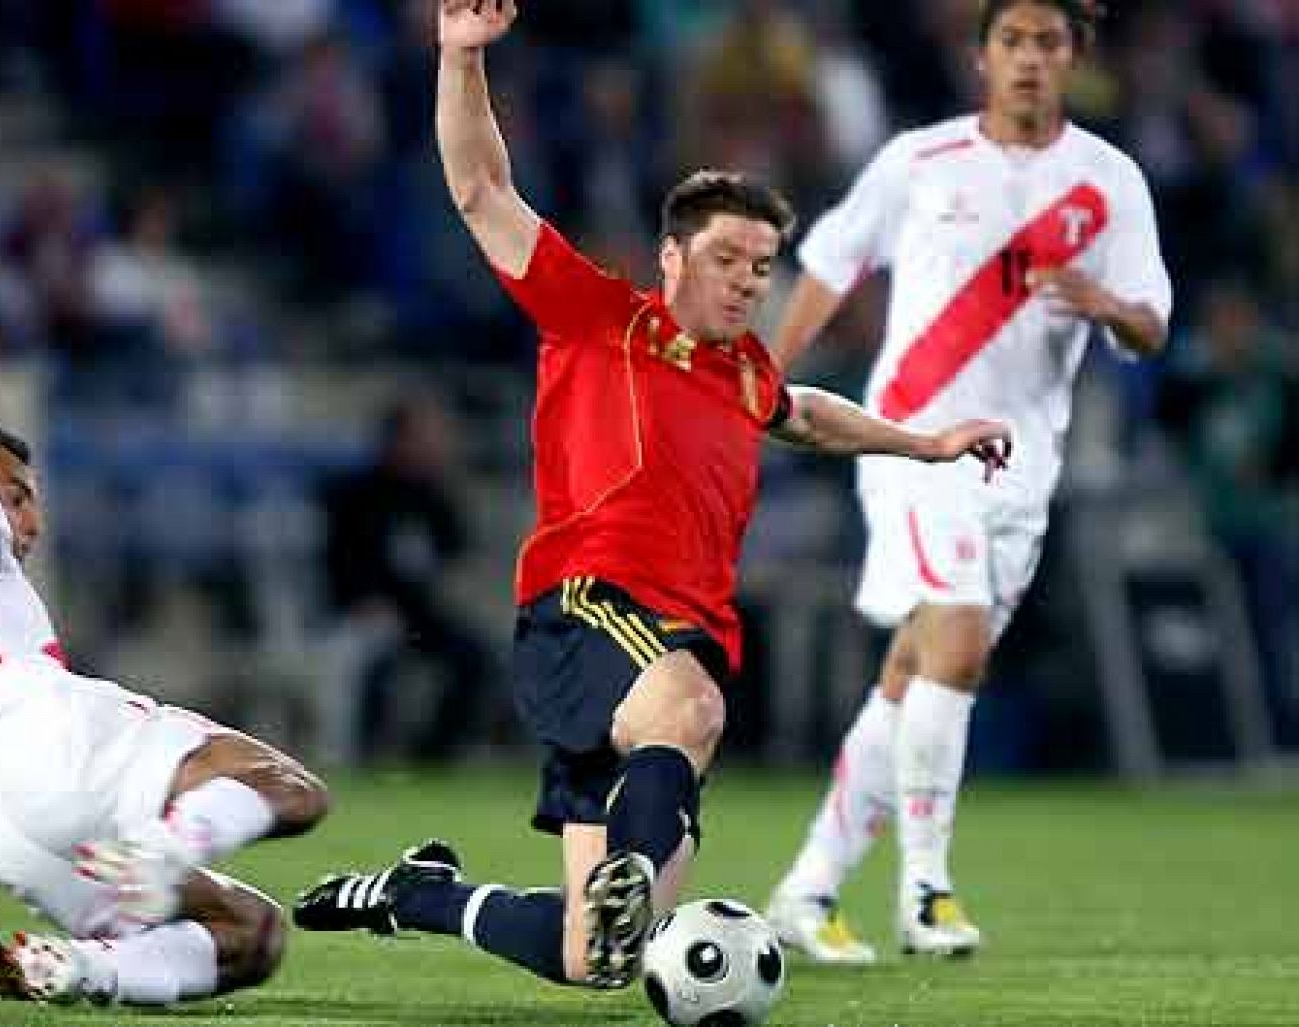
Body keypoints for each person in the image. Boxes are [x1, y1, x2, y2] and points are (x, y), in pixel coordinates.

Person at [293, 0, 1010, 993]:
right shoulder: (596, 318)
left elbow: (801, 411)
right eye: (726, 258)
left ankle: (420, 896)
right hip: (592, 608)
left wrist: (924, 442)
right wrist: (460, 57)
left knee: (600, 955)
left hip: (671, 645)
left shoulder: (743, 371)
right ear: (670, 255)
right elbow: (480, 187)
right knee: (693, 708)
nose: (746, 282)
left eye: (761, 266)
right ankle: (633, 863)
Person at [762, 0, 1171, 963]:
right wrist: (762, 383)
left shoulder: (1109, 184)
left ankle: (808, 886)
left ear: (1075, 58)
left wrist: (1104, 301)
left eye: (1048, 44)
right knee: (955, 637)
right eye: (1012, 42)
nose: (1030, 60)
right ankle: (927, 889)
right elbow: (830, 262)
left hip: (1024, 469)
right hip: (916, 444)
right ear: (982, 58)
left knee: (916, 674)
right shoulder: (921, 161)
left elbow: (1152, 324)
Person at [0, 369, 329, 1005]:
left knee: (252, 934)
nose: (32, 520)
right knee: (290, 790)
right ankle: (164, 848)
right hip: (41, 741)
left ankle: (79, 969)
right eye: (16, 497)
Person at [321, 391, 494, 764]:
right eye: (425, 437)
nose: (436, 446)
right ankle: (365, 754)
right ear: (398, 440)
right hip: (358, 612)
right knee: (374, 657)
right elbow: (337, 561)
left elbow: (454, 557)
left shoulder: (433, 497)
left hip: (417, 615)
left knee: (474, 656)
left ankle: (435, 755)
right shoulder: (355, 494)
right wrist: (363, 602)